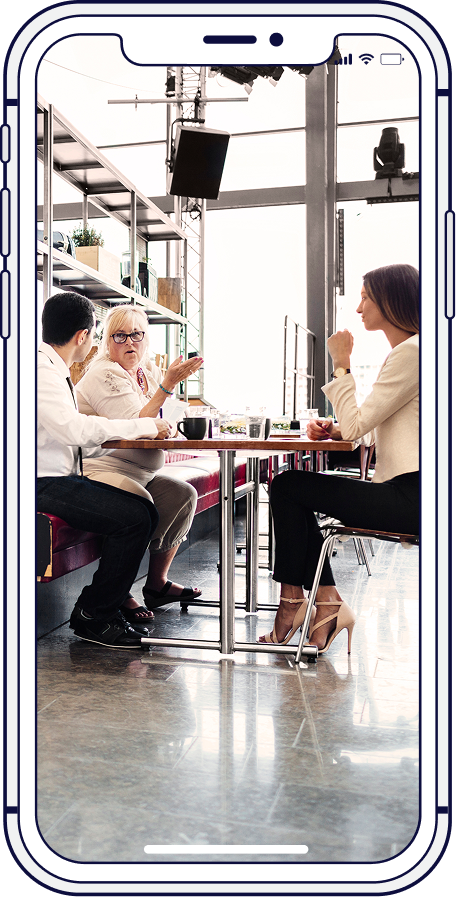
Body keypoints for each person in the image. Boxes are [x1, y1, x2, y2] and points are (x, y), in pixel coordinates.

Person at [259, 263, 419, 653]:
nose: (360, 308)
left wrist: (341, 363)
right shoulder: (413, 351)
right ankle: (321, 603)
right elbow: (362, 426)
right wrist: (336, 429)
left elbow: (359, 423)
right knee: (291, 488)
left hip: (411, 498)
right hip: (410, 491)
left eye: (365, 297)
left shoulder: (412, 353)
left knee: (287, 485)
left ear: (390, 300)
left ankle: (300, 603)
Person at [37, 290, 172, 649]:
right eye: (99, 335)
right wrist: (142, 427)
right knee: (134, 517)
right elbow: (73, 429)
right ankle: (93, 614)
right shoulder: (41, 371)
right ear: (83, 336)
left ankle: (102, 607)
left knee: (142, 510)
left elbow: (76, 436)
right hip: (38, 482)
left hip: (58, 476)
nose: (95, 342)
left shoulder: (53, 368)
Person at [75, 304, 204, 622]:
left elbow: (163, 417)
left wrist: (169, 417)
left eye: (137, 334)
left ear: (147, 338)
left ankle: (157, 584)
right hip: (101, 470)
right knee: (138, 505)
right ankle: (120, 592)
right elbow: (138, 424)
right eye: (120, 335)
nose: (129, 342)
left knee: (183, 495)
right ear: (107, 341)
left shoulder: (147, 373)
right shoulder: (104, 373)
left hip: (141, 472)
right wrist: (168, 386)